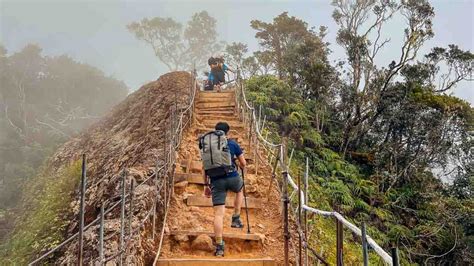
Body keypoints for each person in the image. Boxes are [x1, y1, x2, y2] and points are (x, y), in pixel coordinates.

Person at [205, 122, 246, 257]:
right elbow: (243, 163)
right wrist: (239, 164)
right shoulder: (232, 143)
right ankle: (236, 217)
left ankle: (219, 246)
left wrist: (206, 185)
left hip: (216, 181)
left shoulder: (209, 146)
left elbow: (204, 168)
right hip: (233, 177)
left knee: (218, 214)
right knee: (239, 190)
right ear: (227, 132)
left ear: (215, 131)